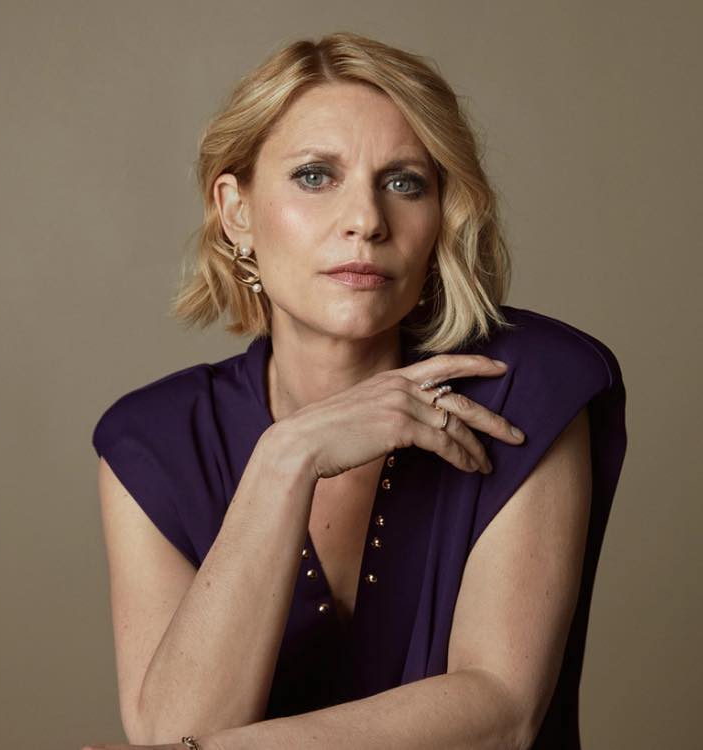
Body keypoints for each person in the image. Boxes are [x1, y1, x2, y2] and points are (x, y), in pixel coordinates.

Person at [87, 31, 627, 750]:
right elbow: (173, 728)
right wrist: (287, 458)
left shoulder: (522, 385)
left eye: (405, 183)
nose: (367, 221)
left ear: (441, 214)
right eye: (315, 176)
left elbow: (500, 714)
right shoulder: (152, 442)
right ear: (237, 210)